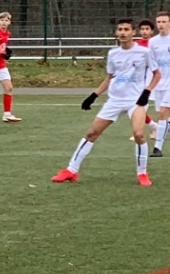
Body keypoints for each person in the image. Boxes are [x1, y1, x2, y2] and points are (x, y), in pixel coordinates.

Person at [53, 18, 158, 186]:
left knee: (139, 134)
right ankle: (71, 170)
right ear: (116, 33)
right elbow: (110, 78)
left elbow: (157, 74)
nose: (123, 33)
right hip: (115, 100)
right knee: (92, 133)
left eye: (126, 29)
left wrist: (147, 91)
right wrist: (93, 95)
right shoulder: (113, 54)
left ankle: (142, 173)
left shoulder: (144, 52)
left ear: (133, 32)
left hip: (136, 100)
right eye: (120, 30)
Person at [153, 13, 170, 156]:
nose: (161, 24)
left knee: (163, 112)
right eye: (159, 22)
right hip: (158, 84)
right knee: (162, 114)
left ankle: (157, 148)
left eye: (164, 21)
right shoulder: (153, 42)